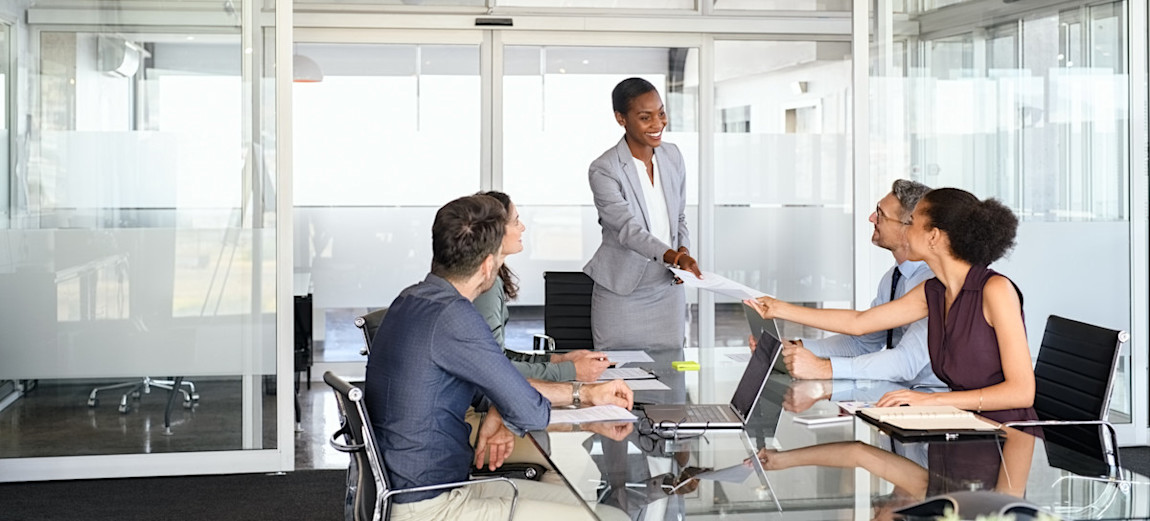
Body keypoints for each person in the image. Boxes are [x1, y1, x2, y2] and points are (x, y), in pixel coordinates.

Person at [365, 194, 633, 521]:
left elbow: (497, 384)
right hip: (431, 507)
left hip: (427, 489)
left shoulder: (410, 299)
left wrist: (587, 394)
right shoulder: (454, 316)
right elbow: (526, 409)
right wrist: (586, 405)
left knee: (579, 502)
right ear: (489, 264)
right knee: (612, 518)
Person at [746, 188, 1037, 425]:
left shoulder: (995, 290)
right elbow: (860, 323)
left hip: (1006, 434)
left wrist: (931, 401)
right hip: (958, 424)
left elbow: (1022, 392)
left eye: (911, 223)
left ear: (933, 236)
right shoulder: (934, 290)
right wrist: (778, 308)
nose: (905, 231)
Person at [770, 179, 944, 387]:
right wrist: (796, 348)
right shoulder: (893, 277)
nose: (872, 218)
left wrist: (823, 368)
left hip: (931, 398)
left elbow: (905, 361)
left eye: (880, 214)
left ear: (909, 226)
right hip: (897, 391)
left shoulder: (935, 283)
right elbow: (863, 341)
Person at [584, 77, 701, 351]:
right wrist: (676, 256)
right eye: (645, 117)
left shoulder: (673, 156)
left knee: (672, 378)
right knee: (619, 380)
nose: (658, 124)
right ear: (621, 118)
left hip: (667, 289)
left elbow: (679, 217)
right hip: (622, 293)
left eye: (661, 113)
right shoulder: (604, 169)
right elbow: (627, 229)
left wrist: (682, 248)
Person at [472, 191, 611, 382]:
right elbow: (494, 368)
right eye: (516, 221)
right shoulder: (486, 286)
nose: (523, 227)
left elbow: (497, 356)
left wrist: (558, 360)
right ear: (496, 230)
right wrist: (569, 371)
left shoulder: (491, 278)